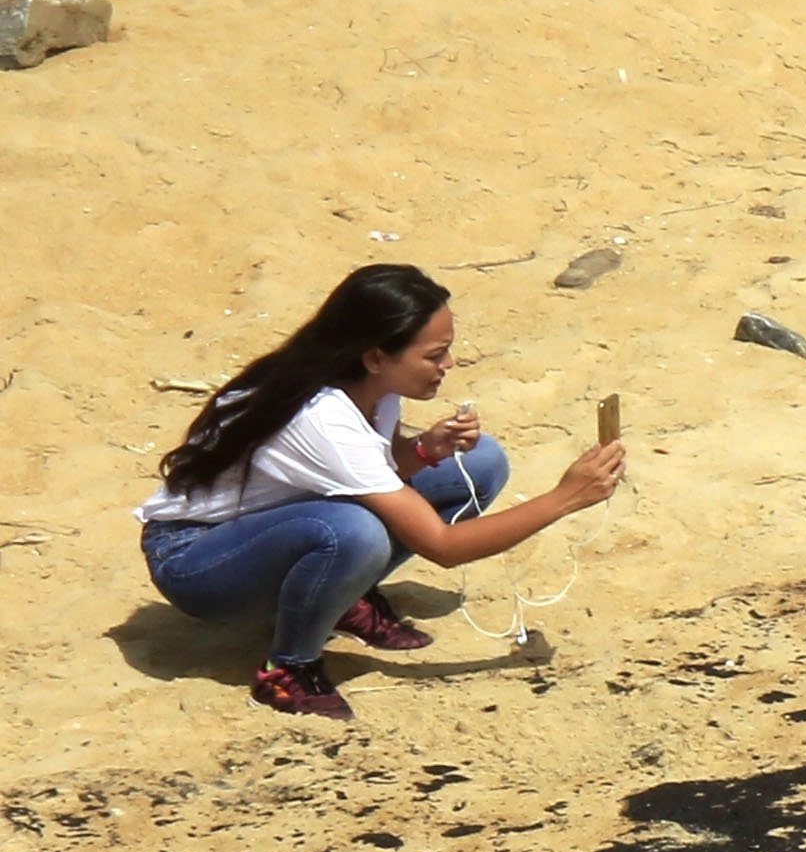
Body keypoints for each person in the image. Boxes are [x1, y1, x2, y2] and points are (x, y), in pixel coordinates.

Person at [139, 263, 626, 724]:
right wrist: (566, 497)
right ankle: (289, 668)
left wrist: (426, 449)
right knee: (354, 532)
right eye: (434, 355)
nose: (448, 364)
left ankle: (341, 596)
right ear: (375, 356)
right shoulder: (321, 416)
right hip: (196, 560)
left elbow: (380, 467)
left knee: (479, 464)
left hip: (275, 526)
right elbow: (442, 547)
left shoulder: (371, 388)